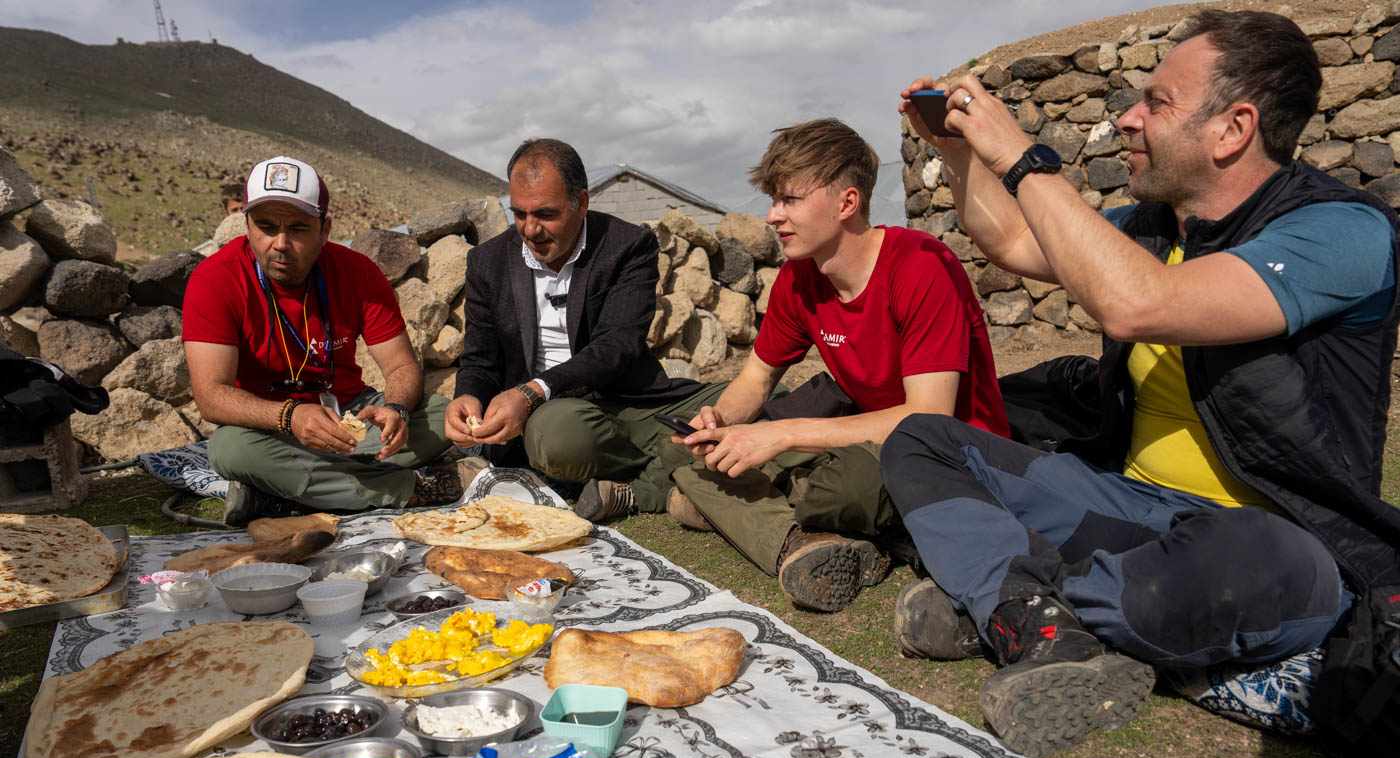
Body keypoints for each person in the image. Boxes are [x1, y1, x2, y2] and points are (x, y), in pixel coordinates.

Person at [887, 10, 1400, 758]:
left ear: (1233, 128)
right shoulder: (1152, 227)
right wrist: (959, 152)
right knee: (920, 439)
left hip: (1278, 538)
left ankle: (1008, 599)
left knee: (1237, 564)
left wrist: (1025, 157)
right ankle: (1030, 609)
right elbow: (1013, 239)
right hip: (1130, 509)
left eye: (1156, 103)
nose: (1128, 118)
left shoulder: (1341, 233)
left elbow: (1137, 304)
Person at [670, 118, 1008, 613]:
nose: (772, 215)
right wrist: (720, 422)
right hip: (865, 441)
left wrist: (782, 437)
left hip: (950, 455)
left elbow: (927, 419)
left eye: (789, 199)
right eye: (774, 199)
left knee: (839, 486)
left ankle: (788, 525)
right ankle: (811, 539)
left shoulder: (919, 265)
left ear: (847, 203)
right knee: (700, 459)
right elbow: (756, 379)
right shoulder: (799, 278)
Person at [443, 138, 725, 519]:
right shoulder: (488, 262)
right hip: (549, 420)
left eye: (545, 214)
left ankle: (641, 471)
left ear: (582, 203)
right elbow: (479, 359)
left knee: (755, 398)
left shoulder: (628, 246)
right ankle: (667, 467)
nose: (530, 229)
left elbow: (618, 345)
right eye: (520, 214)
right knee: (555, 434)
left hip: (626, 402)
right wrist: (469, 396)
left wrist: (532, 391)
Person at [184, 155, 458, 525]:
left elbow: (400, 365)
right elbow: (211, 396)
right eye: (265, 227)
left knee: (442, 418)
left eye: (298, 229)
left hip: (351, 416)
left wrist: (397, 410)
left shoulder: (357, 271)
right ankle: (407, 489)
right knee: (230, 450)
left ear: (324, 229)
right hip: (272, 429)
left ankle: (280, 495)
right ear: (245, 224)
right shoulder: (213, 280)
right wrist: (291, 416)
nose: (280, 244)